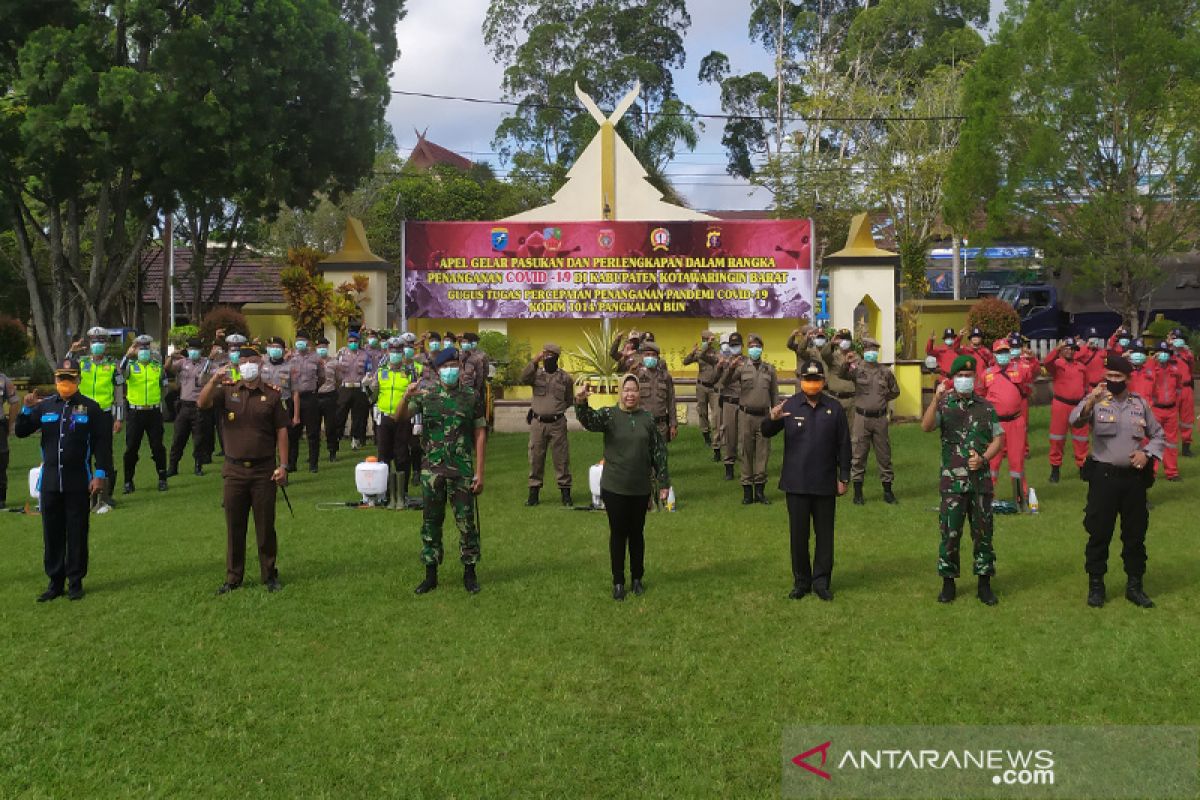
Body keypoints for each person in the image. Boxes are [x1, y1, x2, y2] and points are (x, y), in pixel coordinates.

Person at [1070, 355, 1165, 608]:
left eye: (1117, 377)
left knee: (1135, 535)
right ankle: (1096, 586)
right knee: (1099, 533)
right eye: (1109, 376)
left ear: (1127, 379)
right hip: (1104, 478)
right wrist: (1092, 399)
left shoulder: (1139, 404)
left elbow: (1158, 434)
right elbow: (1074, 420)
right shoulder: (1097, 401)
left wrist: (1147, 453)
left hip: (1133, 481)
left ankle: (1135, 586)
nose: (1112, 381)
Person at [16, 365, 112, 601]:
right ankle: (55, 582)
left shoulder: (91, 408)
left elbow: (102, 443)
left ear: (78, 379)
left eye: (70, 378)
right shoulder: (45, 406)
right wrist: (27, 410)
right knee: (52, 533)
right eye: (61, 378)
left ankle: (75, 581)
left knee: (77, 532)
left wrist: (99, 473)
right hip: (50, 481)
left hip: (78, 480)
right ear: (55, 379)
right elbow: (20, 431)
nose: (65, 382)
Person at [199, 346, 289, 594]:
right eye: (244, 361)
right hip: (234, 470)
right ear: (238, 366)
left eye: (253, 361)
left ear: (260, 364)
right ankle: (233, 577)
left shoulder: (272, 395)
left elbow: (282, 429)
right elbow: (202, 402)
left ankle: (269, 574)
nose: (248, 365)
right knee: (234, 526)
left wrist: (283, 465)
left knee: (265, 525)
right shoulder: (227, 391)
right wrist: (214, 380)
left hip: (263, 471)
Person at [397, 347, 487, 595]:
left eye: (454, 365)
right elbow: (400, 417)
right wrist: (406, 397)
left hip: (462, 470)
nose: (450, 370)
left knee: (466, 523)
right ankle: (430, 574)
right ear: (437, 371)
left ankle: (470, 573)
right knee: (431, 523)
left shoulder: (471, 396)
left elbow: (480, 433)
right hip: (432, 469)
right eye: (445, 367)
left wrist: (480, 472)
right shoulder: (426, 394)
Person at [574, 375, 671, 601]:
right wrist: (580, 403)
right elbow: (589, 421)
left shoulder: (647, 418)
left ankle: (637, 578)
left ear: (639, 393)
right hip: (615, 486)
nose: (630, 394)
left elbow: (659, 452)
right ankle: (618, 581)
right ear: (620, 392)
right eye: (626, 390)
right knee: (618, 534)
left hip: (640, 487)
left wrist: (664, 482)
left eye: (634, 390)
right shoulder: (610, 415)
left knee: (637, 533)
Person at [762, 359, 851, 601]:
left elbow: (844, 444)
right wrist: (772, 417)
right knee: (798, 536)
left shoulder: (834, 408)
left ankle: (821, 581)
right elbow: (766, 432)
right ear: (801, 381)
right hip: (797, 482)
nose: (812, 384)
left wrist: (844, 476)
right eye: (808, 380)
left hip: (825, 482)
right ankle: (801, 581)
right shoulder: (789, 405)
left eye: (816, 380)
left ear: (822, 381)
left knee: (825, 535)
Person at [921, 355, 1004, 606]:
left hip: (980, 483)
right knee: (950, 533)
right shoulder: (944, 405)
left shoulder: (986, 407)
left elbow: (998, 439)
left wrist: (984, 459)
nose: (965, 380)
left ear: (975, 378)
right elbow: (926, 426)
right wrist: (935, 400)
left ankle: (984, 584)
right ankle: (948, 583)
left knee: (983, 534)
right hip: (952, 483)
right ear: (953, 379)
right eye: (960, 376)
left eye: (969, 376)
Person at [66, 326, 123, 511]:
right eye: (94, 342)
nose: (97, 345)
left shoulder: (113, 365)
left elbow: (119, 393)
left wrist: (119, 418)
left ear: (106, 344)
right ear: (89, 344)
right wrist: (70, 352)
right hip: (80, 411)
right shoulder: (81, 362)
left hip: (104, 413)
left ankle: (105, 495)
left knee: (104, 454)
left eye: (101, 342)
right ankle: (82, 492)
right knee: (79, 451)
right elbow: (64, 371)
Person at [841, 337, 900, 505]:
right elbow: (842, 375)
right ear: (864, 352)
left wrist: (881, 399)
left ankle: (888, 492)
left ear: (877, 352)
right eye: (867, 350)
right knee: (858, 455)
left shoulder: (886, 372)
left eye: (873, 350)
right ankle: (858, 493)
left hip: (880, 418)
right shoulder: (857, 370)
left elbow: (895, 391)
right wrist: (846, 362)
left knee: (884, 455)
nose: (870, 353)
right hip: (861, 418)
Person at [723, 332, 777, 505]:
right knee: (745, 451)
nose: (754, 349)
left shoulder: (769, 369)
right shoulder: (741, 367)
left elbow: (774, 394)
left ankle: (760, 491)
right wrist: (730, 368)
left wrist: (775, 414)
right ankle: (747, 490)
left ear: (762, 349)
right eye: (751, 347)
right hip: (746, 415)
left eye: (757, 347)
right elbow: (723, 383)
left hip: (764, 416)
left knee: (762, 453)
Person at [520, 343, 575, 507]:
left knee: (561, 458)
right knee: (536, 457)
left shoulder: (565, 378)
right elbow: (523, 378)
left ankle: (565, 493)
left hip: (557, 423)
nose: (547, 358)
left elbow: (569, 400)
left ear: (557, 357)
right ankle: (533, 494)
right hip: (538, 423)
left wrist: (555, 411)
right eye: (545, 355)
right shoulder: (536, 375)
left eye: (550, 355)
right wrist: (534, 362)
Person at [983, 339, 1034, 510]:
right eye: (1000, 352)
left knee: (1017, 461)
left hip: (1016, 422)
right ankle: (987, 496)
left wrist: (1030, 358)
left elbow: (1033, 373)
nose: (1003, 355)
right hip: (996, 424)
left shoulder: (1020, 369)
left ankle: (1021, 497)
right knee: (992, 462)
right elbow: (980, 394)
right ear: (994, 354)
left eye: (1006, 351)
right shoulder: (987, 374)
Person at [121, 335, 169, 494]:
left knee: (157, 447)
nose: (143, 351)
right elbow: (120, 374)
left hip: (154, 412)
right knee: (131, 448)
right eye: (140, 348)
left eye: (146, 348)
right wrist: (127, 356)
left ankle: (162, 478)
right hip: (135, 412)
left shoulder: (157, 366)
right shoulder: (130, 365)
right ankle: (128, 481)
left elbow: (164, 385)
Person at [1043, 336, 1090, 482]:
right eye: (1067, 348)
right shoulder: (1057, 364)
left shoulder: (1081, 367)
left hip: (1078, 405)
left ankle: (1083, 468)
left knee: (1081, 438)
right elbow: (1046, 362)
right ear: (1062, 350)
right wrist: (1057, 348)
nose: (1070, 351)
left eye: (1072, 349)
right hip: (1061, 405)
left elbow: (1086, 386)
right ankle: (1055, 470)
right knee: (1057, 438)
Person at [167, 337, 215, 477]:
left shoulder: (207, 363)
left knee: (199, 438)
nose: (193, 352)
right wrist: (171, 356)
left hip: (199, 406)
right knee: (178, 437)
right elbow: (168, 368)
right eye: (190, 349)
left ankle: (198, 465)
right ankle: (173, 466)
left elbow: (203, 379)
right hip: (184, 405)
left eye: (195, 349)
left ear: (201, 350)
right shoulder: (183, 362)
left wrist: (210, 360)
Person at [286, 332, 323, 474]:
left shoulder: (316, 358)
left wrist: (313, 389)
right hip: (292, 397)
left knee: (313, 433)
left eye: (303, 340)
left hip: (310, 397)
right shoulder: (289, 357)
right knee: (292, 433)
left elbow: (322, 377)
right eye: (298, 340)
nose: (300, 343)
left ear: (308, 342)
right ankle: (291, 463)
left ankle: (313, 464)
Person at [1147, 341, 1183, 481]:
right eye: (1160, 353)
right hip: (1156, 409)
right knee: (1154, 441)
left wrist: (1176, 404)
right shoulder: (1151, 370)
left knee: (1171, 443)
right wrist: (1152, 362)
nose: (1163, 356)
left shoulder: (1174, 370)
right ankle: (1151, 472)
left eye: (1165, 353)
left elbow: (1179, 388)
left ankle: (1172, 472)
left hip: (1171, 410)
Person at [683, 329, 721, 459]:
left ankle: (717, 440)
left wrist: (706, 348)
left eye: (709, 339)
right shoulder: (699, 353)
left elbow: (712, 360)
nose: (707, 341)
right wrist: (692, 353)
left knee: (716, 414)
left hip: (714, 388)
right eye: (705, 339)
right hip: (701, 387)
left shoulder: (716, 353)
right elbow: (685, 362)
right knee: (702, 412)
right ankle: (706, 436)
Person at [633, 340, 676, 444]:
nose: (650, 357)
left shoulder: (665, 377)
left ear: (657, 358)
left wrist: (673, 425)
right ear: (642, 356)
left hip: (661, 426)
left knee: (660, 458)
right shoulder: (636, 375)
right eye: (647, 354)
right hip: (641, 424)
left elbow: (671, 401)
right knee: (642, 456)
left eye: (653, 355)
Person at [335, 329, 371, 451]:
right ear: (347, 342)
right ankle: (337, 438)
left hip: (359, 387)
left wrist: (367, 379)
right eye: (351, 341)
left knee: (358, 416)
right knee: (340, 414)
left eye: (355, 341)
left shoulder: (364, 355)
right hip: (345, 387)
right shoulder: (341, 354)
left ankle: (355, 439)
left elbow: (368, 370)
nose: (353, 343)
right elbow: (335, 369)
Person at [716, 332, 744, 480]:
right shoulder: (724, 362)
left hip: (745, 403)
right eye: (732, 345)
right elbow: (720, 381)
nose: (735, 347)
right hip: (729, 402)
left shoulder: (748, 362)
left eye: (737, 344)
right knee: (730, 435)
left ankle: (746, 467)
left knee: (744, 436)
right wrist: (728, 367)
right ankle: (729, 466)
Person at [819, 329, 857, 422]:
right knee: (834, 429)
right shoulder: (833, 357)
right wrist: (831, 343)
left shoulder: (856, 357)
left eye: (846, 339)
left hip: (851, 400)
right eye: (842, 339)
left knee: (851, 432)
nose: (844, 342)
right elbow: (824, 354)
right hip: (835, 398)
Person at [315, 336, 342, 462]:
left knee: (331, 426)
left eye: (324, 347)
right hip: (315, 396)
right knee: (314, 427)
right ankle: (314, 454)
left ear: (327, 347)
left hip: (330, 395)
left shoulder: (334, 362)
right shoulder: (312, 362)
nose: (321, 349)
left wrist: (333, 390)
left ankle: (333, 451)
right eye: (319, 347)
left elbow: (339, 380)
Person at [0, 370, 18, 509]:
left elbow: (15, 402)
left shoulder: (3, 379)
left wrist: (10, 425)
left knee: (1, 462)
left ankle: (1, 500)